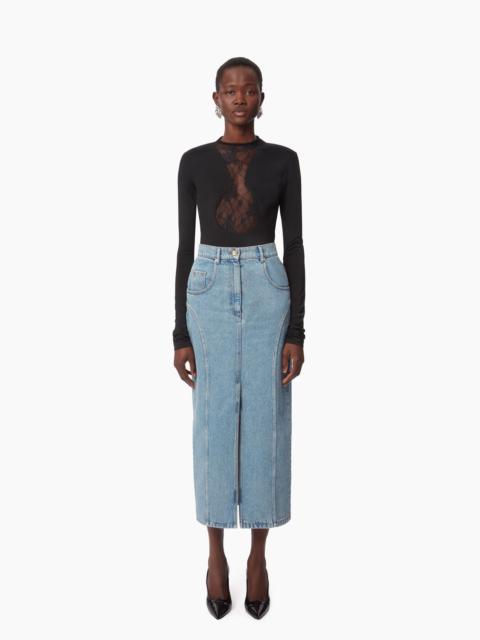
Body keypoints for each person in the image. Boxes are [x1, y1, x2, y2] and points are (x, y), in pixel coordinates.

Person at [172, 56, 306, 619]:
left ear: (262, 98)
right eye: (230, 90)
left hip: (267, 283)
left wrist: (296, 329)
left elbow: (294, 244)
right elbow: (185, 246)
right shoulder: (193, 162)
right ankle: (214, 553)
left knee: (266, 417)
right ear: (216, 99)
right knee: (213, 417)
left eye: (249, 90)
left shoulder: (284, 160)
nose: (240, 98)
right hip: (207, 286)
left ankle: (257, 554)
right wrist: (180, 332)